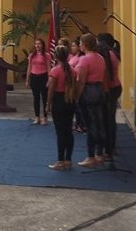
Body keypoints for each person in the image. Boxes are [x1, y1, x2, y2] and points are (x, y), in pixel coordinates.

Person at [76, 33, 107, 167]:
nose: (79, 45)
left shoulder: (84, 60)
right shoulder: (100, 58)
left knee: (90, 125)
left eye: (80, 43)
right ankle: (99, 153)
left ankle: (90, 156)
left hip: (89, 91)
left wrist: (77, 96)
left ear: (86, 45)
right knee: (99, 122)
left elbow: (82, 81)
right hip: (99, 90)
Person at [46, 46, 78, 170]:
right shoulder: (72, 70)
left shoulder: (55, 71)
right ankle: (68, 159)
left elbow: (51, 89)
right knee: (68, 131)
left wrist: (48, 104)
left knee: (60, 132)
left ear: (56, 56)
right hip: (69, 101)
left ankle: (60, 160)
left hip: (59, 101)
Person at [98, 32, 122, 159]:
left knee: (107, 120)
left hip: (110, 89)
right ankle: (111, 146)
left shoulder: (107, 55)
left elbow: (105, 74)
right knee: (110, 119)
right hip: (115, 87)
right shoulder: (113, 53)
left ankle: (109, 148)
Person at [26, 38, 50, 125]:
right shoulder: (32, 55)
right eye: (36, 44)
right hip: (34, 77)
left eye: (39, 44)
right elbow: (29, 67)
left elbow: (48, 67)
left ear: (42, 45)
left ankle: (45, 117)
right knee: (36, 98)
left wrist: (49, 79)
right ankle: (37, 117)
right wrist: (27, 79)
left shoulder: (46, 55)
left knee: (44, 98)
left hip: (43, 77)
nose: (37, 46)